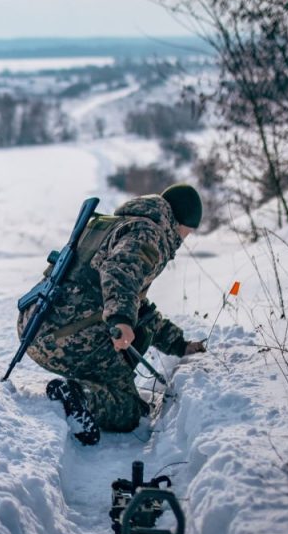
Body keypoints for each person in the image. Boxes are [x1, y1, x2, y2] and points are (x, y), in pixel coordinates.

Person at [18, 184, 208, 445]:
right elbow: (118, 272)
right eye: (189, 231)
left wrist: (179, 344)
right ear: (181, 221)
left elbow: (139, 306)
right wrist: (121, 320)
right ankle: (80, 396)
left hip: (36, 327)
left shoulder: (119, 223)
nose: (187, 238)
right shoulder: (148, 233)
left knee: (136, 327)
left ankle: (89, 385)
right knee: (129, 407)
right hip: (66, 338)